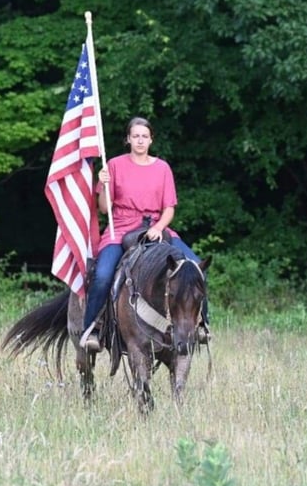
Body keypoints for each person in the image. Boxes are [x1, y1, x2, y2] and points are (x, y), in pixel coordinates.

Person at [81, 116, 210, 351]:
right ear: (128, 139)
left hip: (156, 226)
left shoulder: (162, 168)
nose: (140, 140)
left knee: (195, 267)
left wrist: (159, 227)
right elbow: (102, 208)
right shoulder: (114, 165)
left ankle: (203, 325)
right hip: (120, 227)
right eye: (135, 136)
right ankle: (93, 329)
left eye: (144, 136)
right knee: (101, 275)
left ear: (151, 140)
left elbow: (169, 208)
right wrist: (103, 186)